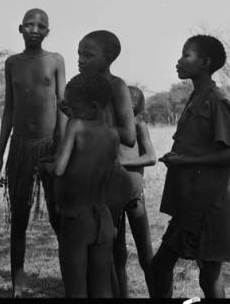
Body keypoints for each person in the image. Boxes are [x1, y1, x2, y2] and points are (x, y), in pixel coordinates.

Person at [151, 35, 230, 299]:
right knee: (159, 267)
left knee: (210, 277)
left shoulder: (216, 102)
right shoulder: (196, 98)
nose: (179, 61)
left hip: (214, 203)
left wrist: (186, 161)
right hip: (192, 201)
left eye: (186, 55)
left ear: (204, 63)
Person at [0, 8, 67, 298]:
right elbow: (9, 109)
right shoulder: (12, 63)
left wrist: (61, 148)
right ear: (20, 28)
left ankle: (73, 277)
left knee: (58, 215)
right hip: (20, 148)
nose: (35, 29)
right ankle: (18, 285)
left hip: (50, 146)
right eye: (30, 24)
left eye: (41, 25)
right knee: (19, 219)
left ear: (48, 31)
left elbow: (64, 104)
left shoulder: (55, 60)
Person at [40, 71, 119, 298]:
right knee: (102, 288)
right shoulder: (112, 135)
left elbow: (59, 168)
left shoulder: (76, 125)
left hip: (76, 219)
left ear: (93, 107)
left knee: (76, 289)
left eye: (72, 108)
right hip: (102, 218)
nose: (68, 111)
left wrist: (46, 166)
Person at [77, 30, 137, 296]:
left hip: (109, 179)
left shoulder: (117, 86)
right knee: (91, 245)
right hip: (83, 178)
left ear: (109, 57)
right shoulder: (79, 85)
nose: (80, 59)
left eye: (87, 55)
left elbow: (130, 136)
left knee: (111, 246)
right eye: (79, 53)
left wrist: (93, 126)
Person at [114, 85, 156, 297]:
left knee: (145, 254)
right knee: (117, 253)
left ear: (130, 106)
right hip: (113, 195)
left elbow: (151, 157)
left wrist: (122, 163)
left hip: (135, 196)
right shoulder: (112, 128)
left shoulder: (140, 126)